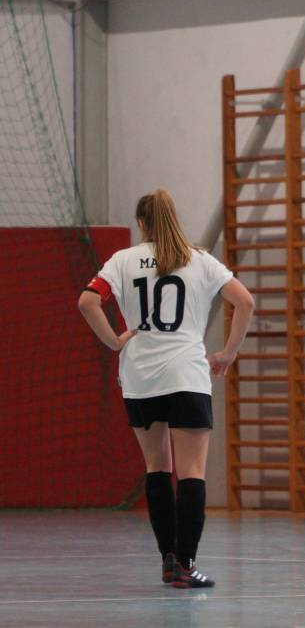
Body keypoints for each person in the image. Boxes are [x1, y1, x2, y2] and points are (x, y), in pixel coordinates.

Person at [78, 189, 254, 589]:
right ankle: (186, 565)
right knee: (192, 473)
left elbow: (88, 302)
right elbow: (245, 302)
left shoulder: (122, 261)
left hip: (140, 378)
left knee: (157, 468)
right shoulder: (199, 259)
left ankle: (168, 561)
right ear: (174, 218)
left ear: (142, 223)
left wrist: (114, 341)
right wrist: (228, 353)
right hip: (186, 377)